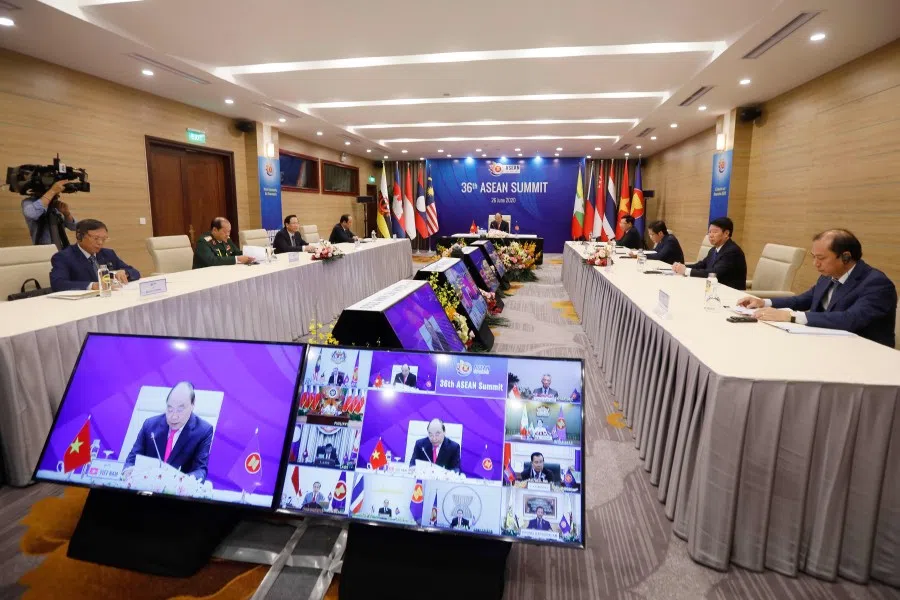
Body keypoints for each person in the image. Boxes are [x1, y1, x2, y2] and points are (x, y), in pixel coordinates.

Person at [738, 229, 897, 347]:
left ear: (846, 257)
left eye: (821, 258)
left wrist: (790, 316)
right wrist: (763, 302)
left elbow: (850, 319)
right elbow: (802, 300)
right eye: (813, 258)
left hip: (864, 354)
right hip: (826, 344)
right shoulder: (829, 275)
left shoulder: (876, 284)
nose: (815, 264)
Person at [123, 381, 213, 481]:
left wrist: (183, 480)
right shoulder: (150, 425)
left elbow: (200, 470)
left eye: (180, 410)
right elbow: (132, 460)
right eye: (170, 409)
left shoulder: (203, 431)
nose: (173, 416)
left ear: (192, 405)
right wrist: (128, 471)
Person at [50, 219, 140, 291]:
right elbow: (58, 284)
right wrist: (93, 286)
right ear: (79, 236)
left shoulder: (108, 253)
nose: (100, 243)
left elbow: (135, 272)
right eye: (96, 238)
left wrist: (125, 273)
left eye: (104, 239)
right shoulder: (64, 257)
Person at [672, 217, 747, 290]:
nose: (710, 235)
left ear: (726, 233)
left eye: (715, 232)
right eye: (709, 232)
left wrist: (686, 270)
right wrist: (681, 266)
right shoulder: (713, 250)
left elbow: (714, 273)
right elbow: (701, 265)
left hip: (731, 294)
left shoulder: (732, 251)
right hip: (714, 288)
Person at [22, 179, 78, 248]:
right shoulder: (30, 202)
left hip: (61, 250)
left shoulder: (55, 205)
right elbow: (32, 214)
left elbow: (74, 227)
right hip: (44, 251)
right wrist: (52, 191)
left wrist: (67, 214)